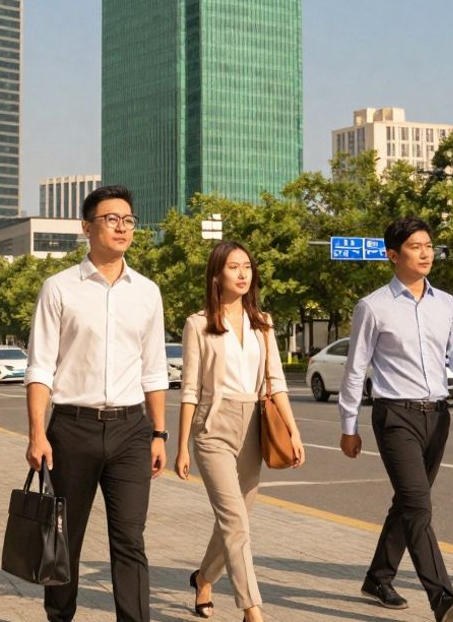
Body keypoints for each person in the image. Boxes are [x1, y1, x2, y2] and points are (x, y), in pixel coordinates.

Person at [25, 184, 169, 622]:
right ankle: (60, 617)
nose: (122, 228)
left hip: (131, 431)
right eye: (111, 219)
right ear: (86, 228)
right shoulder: (59, 288)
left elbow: (154, 369)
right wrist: (37, 434)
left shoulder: (147, 292)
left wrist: (159, 433)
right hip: (72, 429)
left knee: (130, 540)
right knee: (64, 536)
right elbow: (40, 367)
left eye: (128, 220)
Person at [338, 216, 453, 622]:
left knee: (407, 503)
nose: (426, 253)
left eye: (429, 245)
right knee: (419, 505)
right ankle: (442, 597)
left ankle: (378, 577)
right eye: (415, 247)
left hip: (437, 416)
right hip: (395, 416)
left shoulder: (447, 304)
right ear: (393, 255)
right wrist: (349, 426)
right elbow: (356, 368)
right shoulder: (373, 307)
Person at [174, 242, 305, 622]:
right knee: (234, 520)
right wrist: (181, 446)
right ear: (217, 275)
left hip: (253, 426)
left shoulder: (262, 322)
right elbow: (190, 390)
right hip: (212, 426)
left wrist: (294, 432)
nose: (243, 273)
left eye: (247, 266)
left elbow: (276, 381)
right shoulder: (198, 324)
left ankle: (203, 578)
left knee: (236, 519)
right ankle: (252, 610)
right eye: (233, 267)